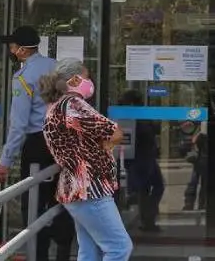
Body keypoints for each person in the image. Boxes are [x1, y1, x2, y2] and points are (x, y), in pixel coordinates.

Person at [40, 59, 133, 261]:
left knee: (90, 251)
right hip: (90, 188)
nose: (90, 82)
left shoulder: (55, 106)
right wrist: (106, 144)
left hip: (78, 189)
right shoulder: (73, 104)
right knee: (119, 247)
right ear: (74, 79)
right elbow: (115, 132)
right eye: (86, 77)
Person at [0, 26, 74, 261]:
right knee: (62, 198)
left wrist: (5, 161)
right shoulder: (57, 67)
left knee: (33, 205)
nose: (11, 50)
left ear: (22, 50)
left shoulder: (23, 77)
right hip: (63, 141)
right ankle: (63, 252)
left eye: (12, 46)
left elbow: (19, 125)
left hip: (38, 145)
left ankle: (39, 256)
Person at [118, 89, 164, 232]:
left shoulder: (134, 116)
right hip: (141, 158)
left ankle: (147, 219)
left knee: (148, 189)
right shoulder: (131, 118)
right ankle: (146, 219)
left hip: (144, 157)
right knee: (150, 188)